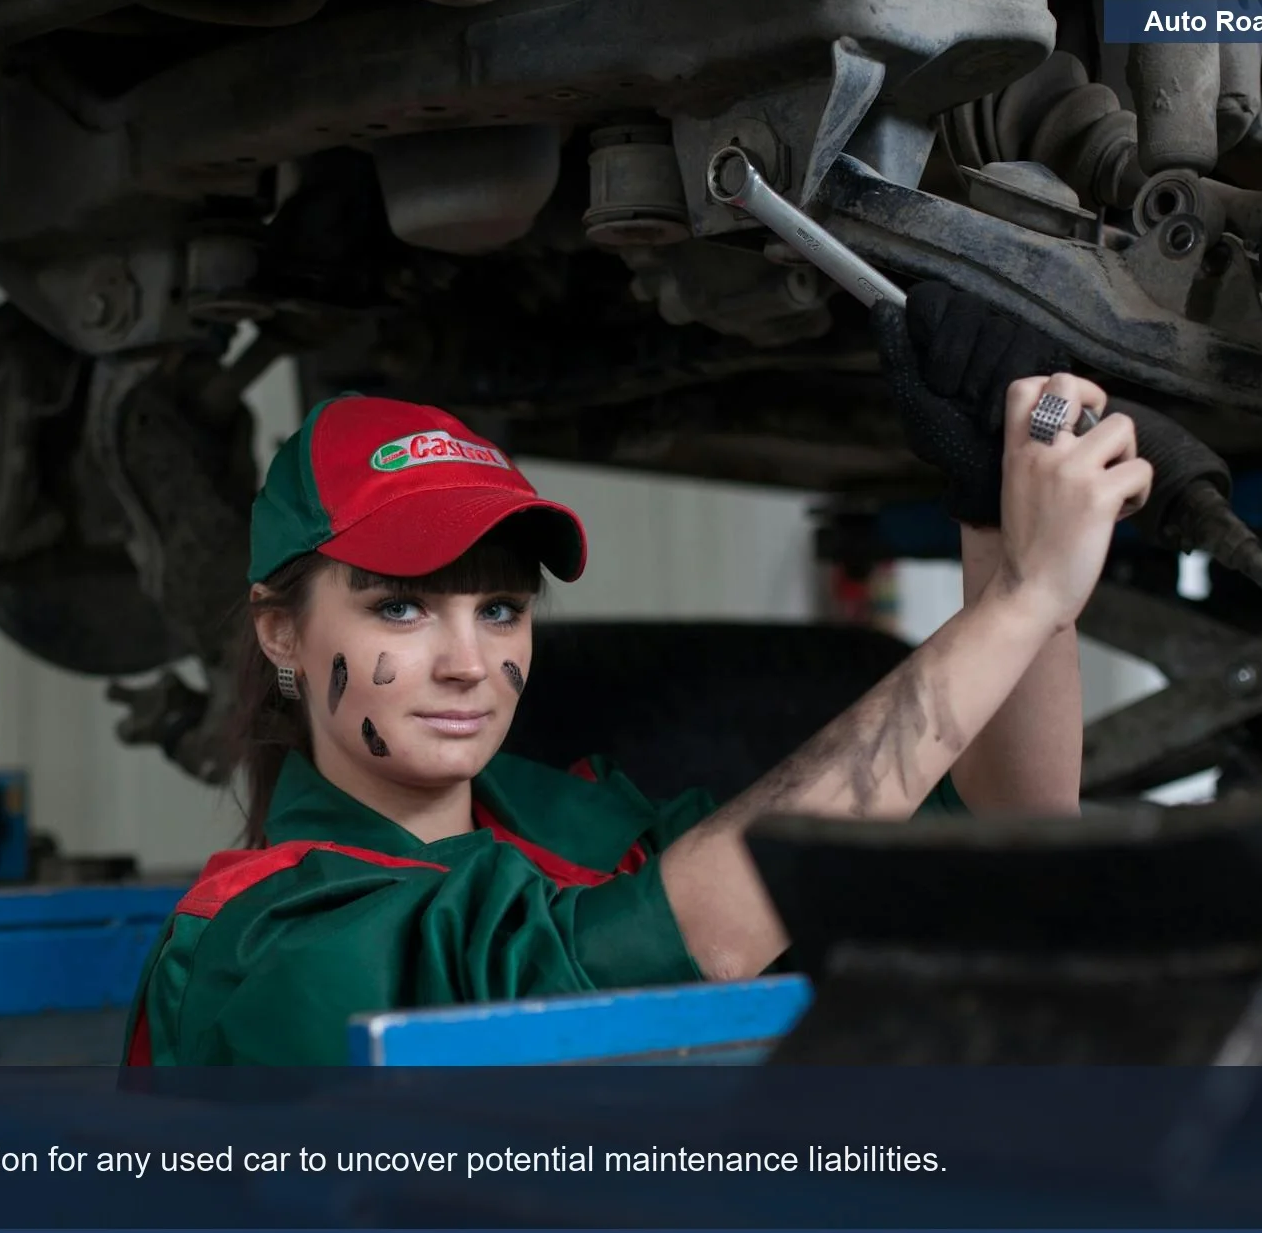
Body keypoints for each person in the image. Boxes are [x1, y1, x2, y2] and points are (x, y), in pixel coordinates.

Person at [119, 286, 1152, 1066]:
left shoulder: (562, 823)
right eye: (399, 605)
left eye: (499, 607)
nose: (469, 661)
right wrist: (1019, 599)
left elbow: (1009, 829)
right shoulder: (265, 943)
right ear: (281, 633)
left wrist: (989, 515)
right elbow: (693, 937)